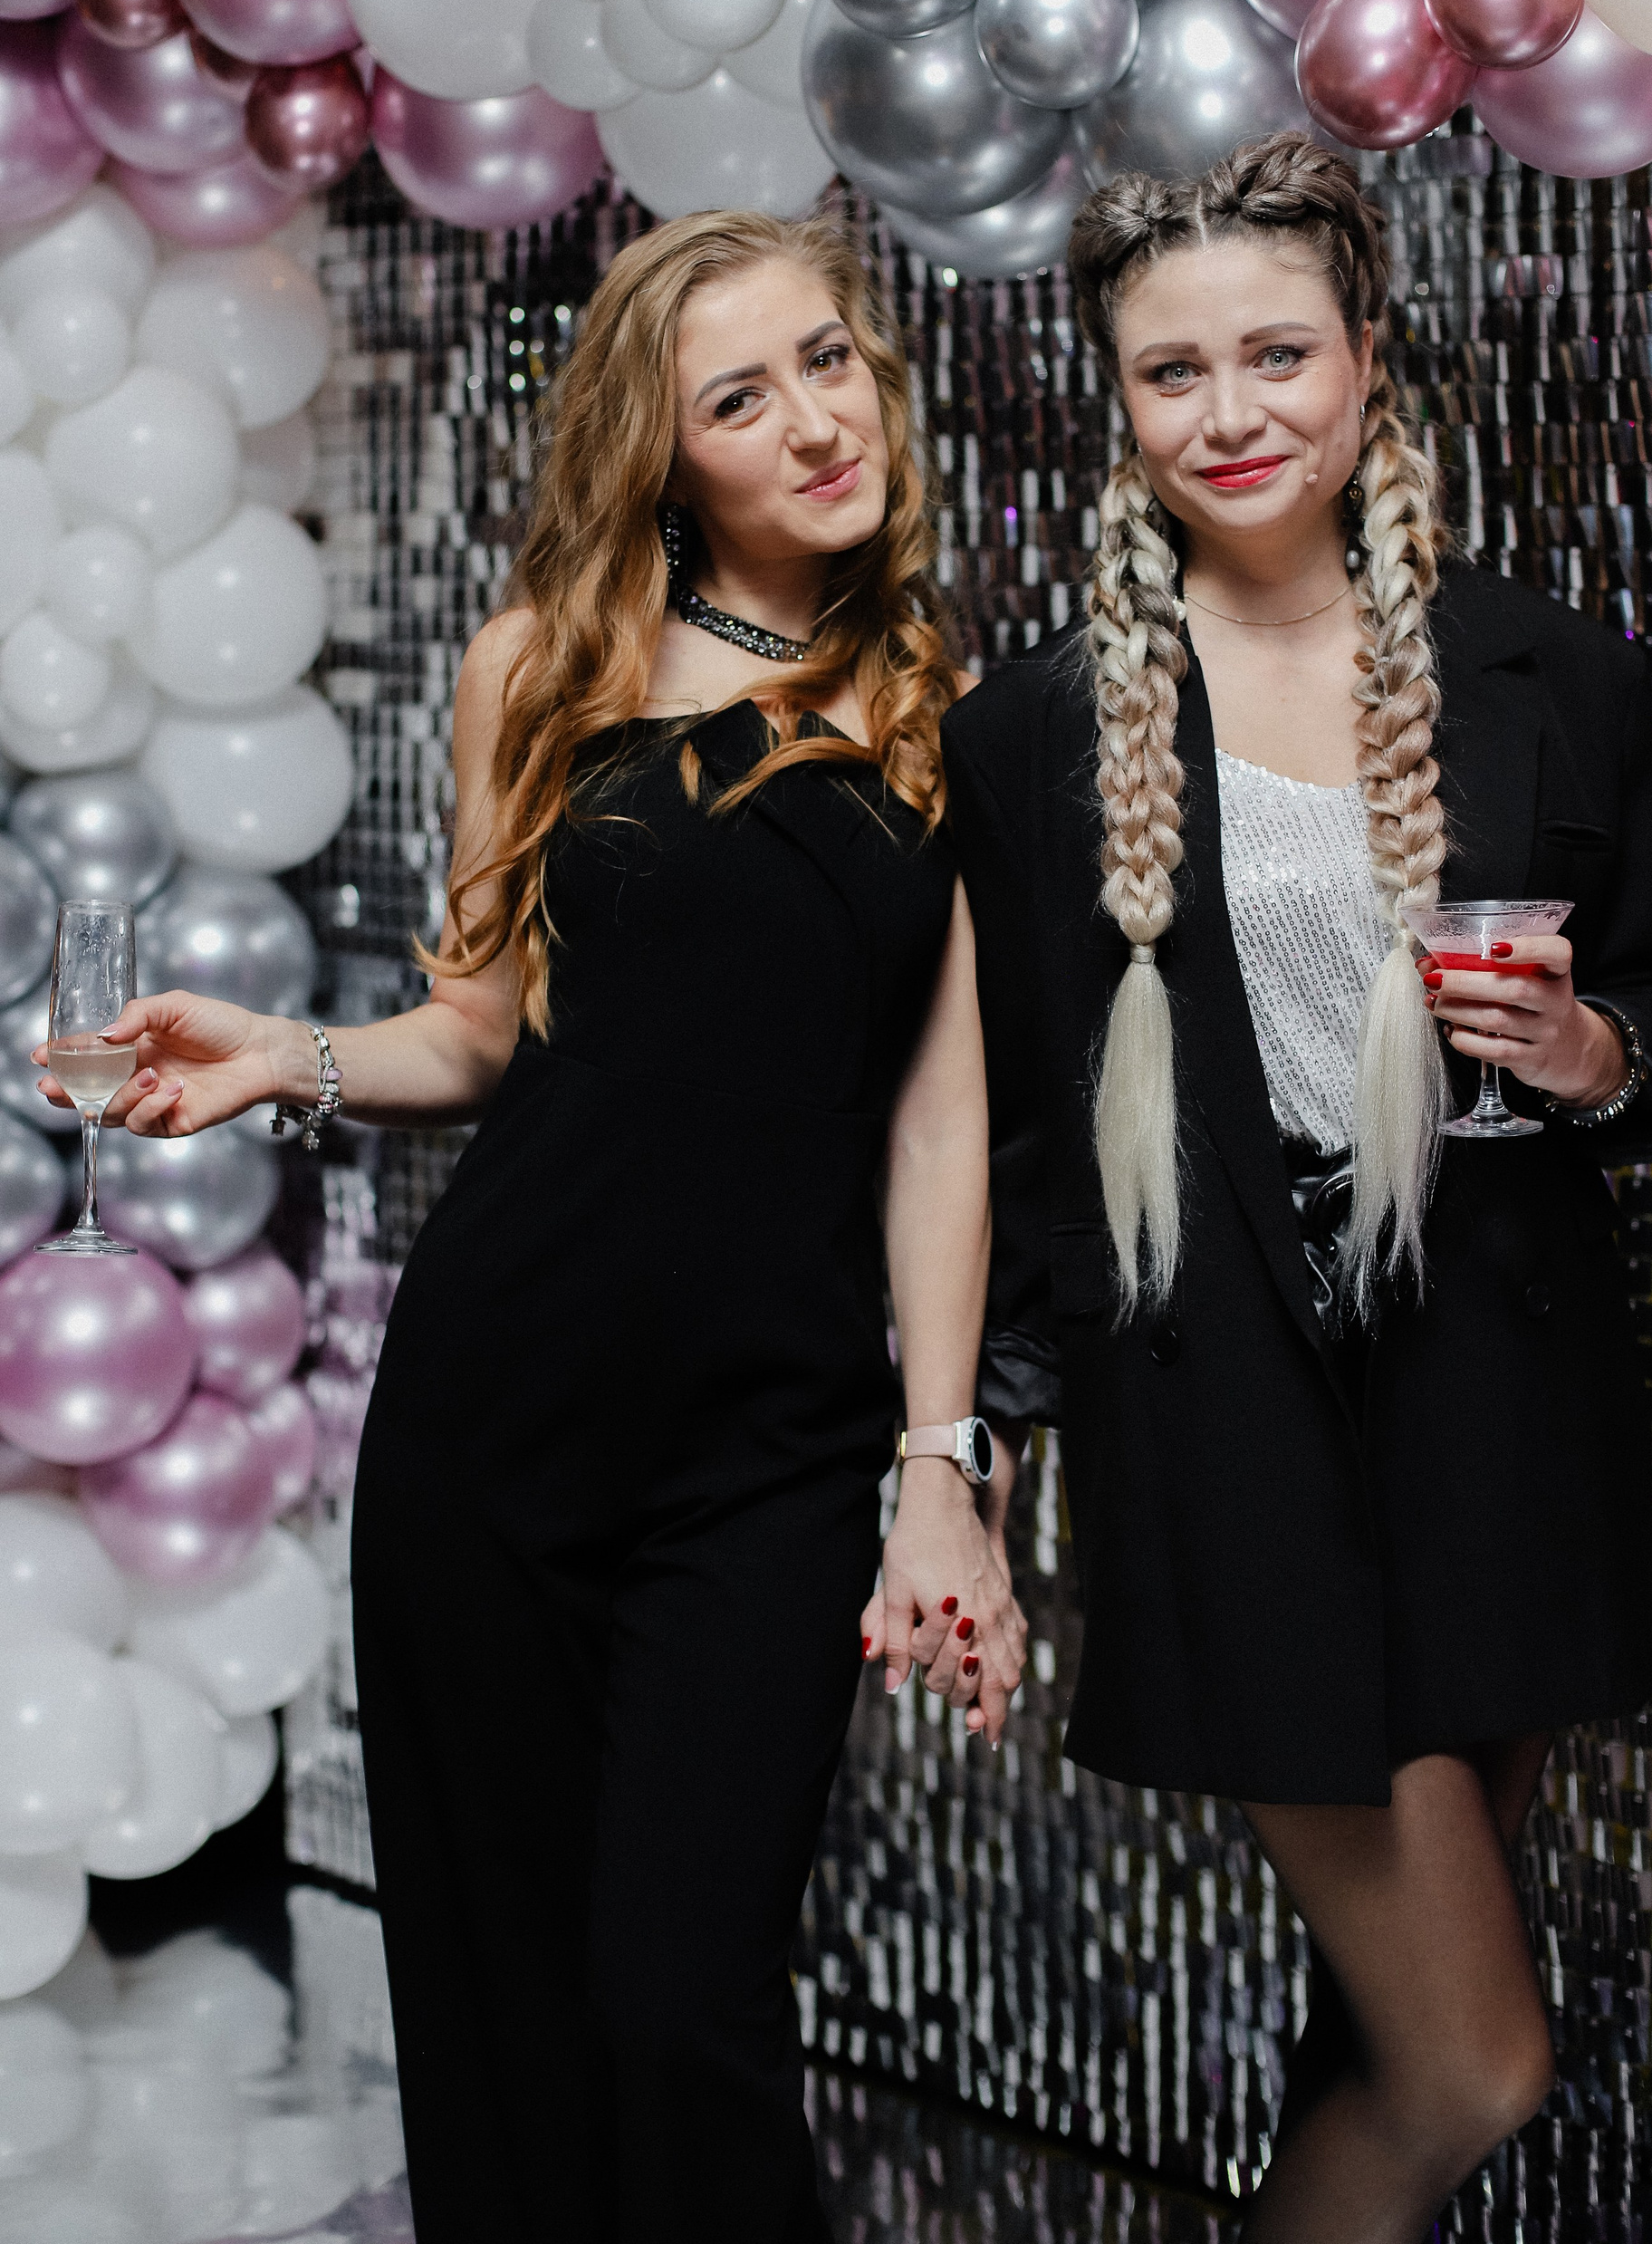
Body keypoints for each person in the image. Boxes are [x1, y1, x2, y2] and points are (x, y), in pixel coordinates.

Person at [49, 211, 1025, 2244]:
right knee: (501, 2014)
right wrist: (286, 1057)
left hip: (768, 1457)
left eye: (828, 360)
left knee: (685, 2012)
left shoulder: (934, 696)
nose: (816, 420)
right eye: (740, 397)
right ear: (664, 457)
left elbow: (942, 1124)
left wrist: (940, 1472)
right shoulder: (540, 670)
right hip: (496, 1424)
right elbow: (481, 1035)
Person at [942, 134, 1652, 2239]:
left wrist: (1589, 1052)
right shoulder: (1033, 736)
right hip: (1226, 1413)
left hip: (1498, 1396)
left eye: (1278, 353)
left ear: (1368, 355)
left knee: (1378, 2039)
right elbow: (1001, 1139)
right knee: (1474, 2062)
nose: (1232, 413)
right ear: (1118, 399)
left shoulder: (1554, 672)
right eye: (1172, 371)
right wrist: (963, 1449)